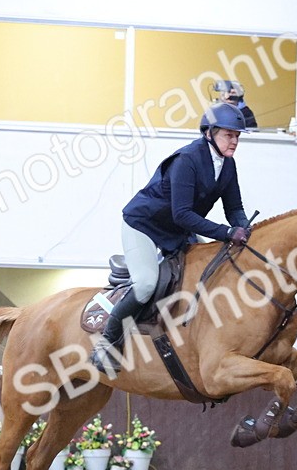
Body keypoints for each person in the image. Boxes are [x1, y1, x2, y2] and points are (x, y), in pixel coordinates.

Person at [91, 102, 252, 375]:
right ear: (209, 133)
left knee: (206, 276)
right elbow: (182, 214)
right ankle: (107, 342)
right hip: (144, 224)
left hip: (177, 229)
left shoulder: (227, 165)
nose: (234, 141)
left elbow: (234, 208)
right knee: (145, 284)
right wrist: (226, 233)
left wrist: (245, 230)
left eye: (236, 136)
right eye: (228, 134)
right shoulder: (187, 160)